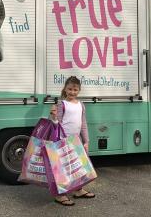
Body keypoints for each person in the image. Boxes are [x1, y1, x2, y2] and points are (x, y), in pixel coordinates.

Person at [49, 75, 96, 206]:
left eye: (75, 90)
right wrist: (52, 116)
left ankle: (78, 190)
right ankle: (60, 195)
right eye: (70, 89)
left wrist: (86, 141)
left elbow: (83, 124)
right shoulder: (61, 104)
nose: (72, 92)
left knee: (78, 167)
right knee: (62, 169)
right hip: (62, 141)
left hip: (76, 141)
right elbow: (55, 123)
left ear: (79, 91)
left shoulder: (81, 105)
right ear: (65, 89)